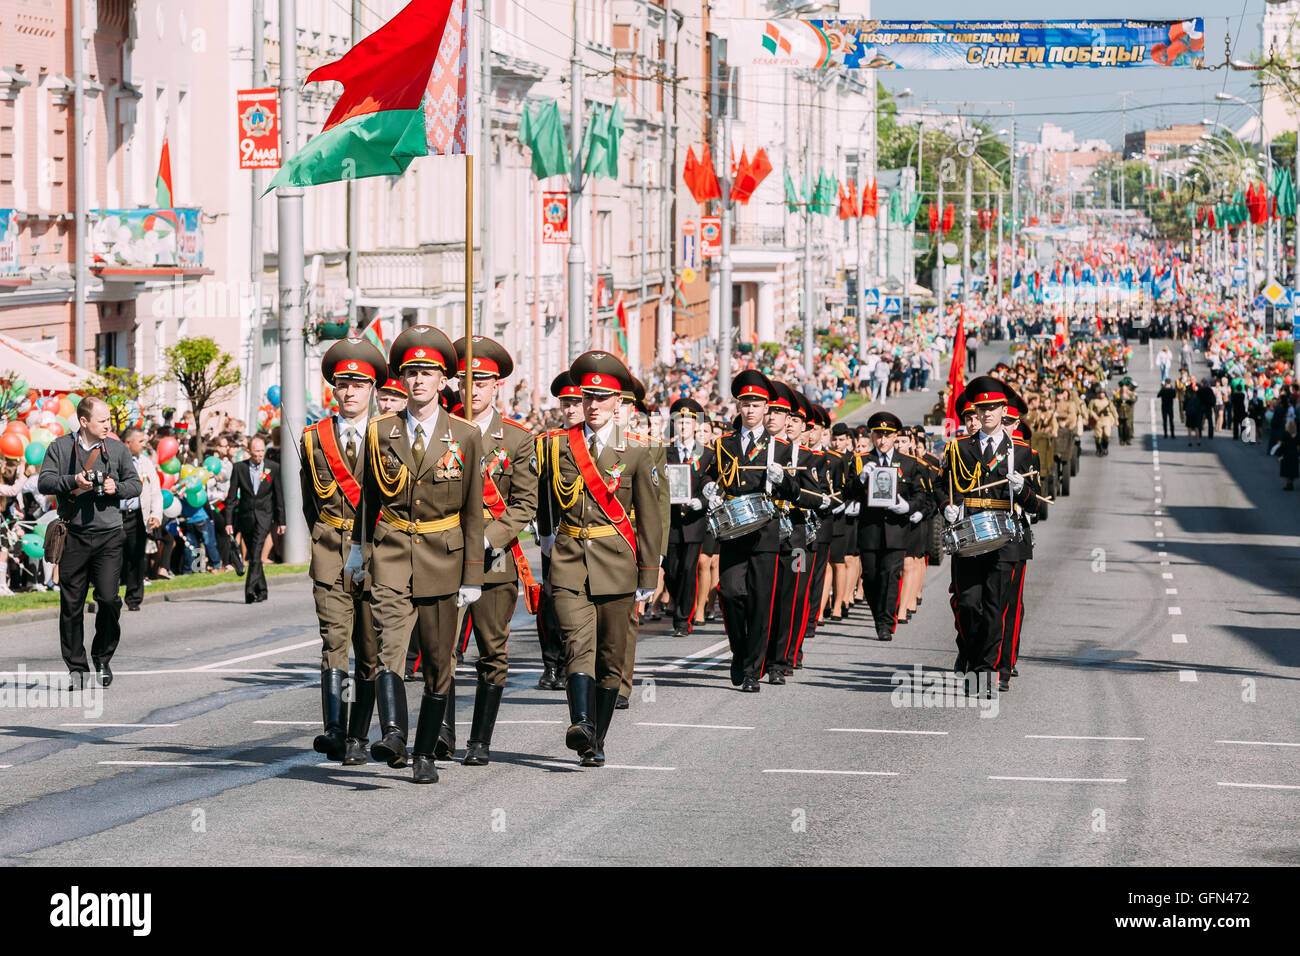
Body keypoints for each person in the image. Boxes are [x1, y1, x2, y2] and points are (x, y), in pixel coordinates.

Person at [345, 325, 485, 785]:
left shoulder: (463, 435)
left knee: (439, 662)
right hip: (390, 551)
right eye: (411, 373)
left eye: (427, 373)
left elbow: (471, 510)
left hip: (443, 556)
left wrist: (472, 575)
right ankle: (393, 734)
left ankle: (425, 750)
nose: (418, 381)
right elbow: (368, 499)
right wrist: (357, 552)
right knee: (389, 649)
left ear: (444, 381)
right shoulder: (380, 431)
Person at [535, 350, 661, 766]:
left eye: (601, 398)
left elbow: (651, 515)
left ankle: (596, 737)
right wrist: (546, 540)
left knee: (611, 654)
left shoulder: (639, 451)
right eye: (587, 397)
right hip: (570, 560)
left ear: (619, 404)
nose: (591, 405)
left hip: (617, 562)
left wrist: (649, 571)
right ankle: (582, 721)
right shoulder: (556, 446)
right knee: (576, 644)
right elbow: (541, 501)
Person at [452, 335, 539, 766]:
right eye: (467, 380)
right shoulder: (443, 430)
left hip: (493, 556)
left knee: (492, 648)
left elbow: (525, 502)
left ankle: (479, 741)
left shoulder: (518, 439)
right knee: (441, 648)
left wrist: (490, 538)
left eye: (483, 381)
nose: (474, 389)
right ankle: (440, 735)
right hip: (444, 554)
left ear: (497, 386)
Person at [300, 337, 387, 765]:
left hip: (375, 555)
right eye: (342, 384)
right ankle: (334, 729)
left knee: (369, 650)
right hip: (331, 551)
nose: (349, 392)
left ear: (372, 389)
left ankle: (357, 734)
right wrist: (321, 540)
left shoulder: (389, 435)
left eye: (358, 384)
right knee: (334, 643)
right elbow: (306, 502)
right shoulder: (314, 438)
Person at [700, 370, 798, 693]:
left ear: (766, 408)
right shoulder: (724, 445)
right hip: (733, 530)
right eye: (746, 403)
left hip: (766, 533)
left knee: (760, 601)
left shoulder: (779, 448)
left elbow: (794, 492)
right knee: (730, 592)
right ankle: (739, 651)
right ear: (739, 406)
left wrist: (782, 480)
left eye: (757, 403)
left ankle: (753, 670)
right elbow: (707, 476)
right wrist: (709, 490)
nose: (751, 409)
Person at [37, 396, 142, 687]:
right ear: (84, 422)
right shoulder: (59, 447)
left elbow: (136, 485)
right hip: (74, 536)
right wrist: (73, 481)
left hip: (109, 536)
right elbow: (44, 481)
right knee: (71, 606)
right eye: (102, 420)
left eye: (109, 419)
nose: (108, 424)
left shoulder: (118, 449)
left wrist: (115, 487)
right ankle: (77, 669)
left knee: (109, 600)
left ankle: (102, 656)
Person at [937, 378, 1037, 686]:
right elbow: (941, 486)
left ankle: (985, 670)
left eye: (993, 407)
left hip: (1004, 536)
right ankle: (973, 653)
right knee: (968, 602)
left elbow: (1038, 504)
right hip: (969, 532)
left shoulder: (1019, 451)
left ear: (1004, 410)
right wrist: (946, 507)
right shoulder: (959, 448)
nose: (987, 413)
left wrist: (1021, 490)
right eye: (982, 408)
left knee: (997, 605)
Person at [846, 412, 930, 642]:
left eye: (887, 435)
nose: (883, 440)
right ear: (872, 436)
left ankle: (886, 623)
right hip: (869, 529)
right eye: (878, 435)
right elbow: (848, 492)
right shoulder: (861, 460)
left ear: (896, 437)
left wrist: (908, 507)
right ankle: (878, 615)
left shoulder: (909, 464)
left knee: (891, 575)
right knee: (871, 578)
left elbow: (921, 494)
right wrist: (861, 479)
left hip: (896, 529)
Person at [533, 371, 584, 691]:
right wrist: (543, 531)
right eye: (566, 403)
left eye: (576, 402)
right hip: (556, 533)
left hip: (588, 535)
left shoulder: (597, 441)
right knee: (550, 600)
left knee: (580, 602)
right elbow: (539, 490)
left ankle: (573, 664)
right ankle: (551, 663)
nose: (570, 409)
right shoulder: (548, 442)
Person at [664, 397, 713, 637]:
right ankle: (676, 600)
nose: (683, 426)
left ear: (696, 425)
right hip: (671, 521)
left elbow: (713, 484)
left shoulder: (706, 454)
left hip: (694, 521)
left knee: (688, 568)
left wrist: (702, 501)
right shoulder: (664, 452)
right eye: (678, 422)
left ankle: (683, 620)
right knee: (671, 570)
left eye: (687, 422)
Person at [223, 435, 284, 602]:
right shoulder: (239, 468)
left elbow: (279, 495)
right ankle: (262, 590)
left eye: (262, 451)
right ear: (249, 451)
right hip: (246, 516)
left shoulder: (273, 468)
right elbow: (231, 496)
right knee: (253, 553)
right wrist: (229, 521)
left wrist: (281, 521)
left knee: (256, 552)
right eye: (256, 451)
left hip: (265, 516)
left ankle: (249, 591)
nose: (259, 455)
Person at [118, 427, 163, 611]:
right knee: (113, 558)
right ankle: (108, 597)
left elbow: (156, 492)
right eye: (141, 441)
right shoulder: (115, 461)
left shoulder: (145, 462)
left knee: (137, 558)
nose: (145, 445)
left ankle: (134, 598)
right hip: (117, 516)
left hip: (137, 516)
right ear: (128, 443)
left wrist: (155, 514)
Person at [1273, 420, 1298, 491]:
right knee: (1293, 469)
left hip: (1286, 453)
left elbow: (1280, 443)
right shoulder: (1297, 434)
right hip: (1294, 454)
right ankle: (1291, 483)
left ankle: (1288, 484)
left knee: (1287, 469)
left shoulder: (1285, 433)